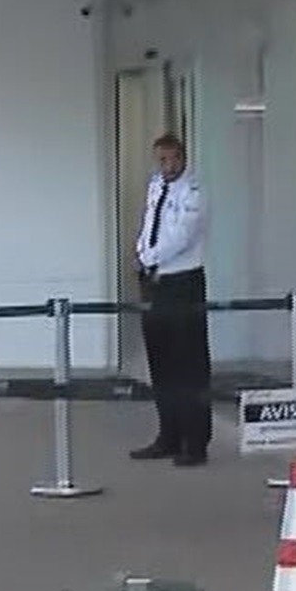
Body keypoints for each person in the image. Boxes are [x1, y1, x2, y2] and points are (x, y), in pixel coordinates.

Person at [129, 133, 213, 465]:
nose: (167, 166)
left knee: (188, 365)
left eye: (172, 159)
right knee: (161, 363)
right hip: (155, 281)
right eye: (161, 160)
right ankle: (168, 434)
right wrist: (140, 252)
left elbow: (181, 235)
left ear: (183, 158)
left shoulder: (194, 193)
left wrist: (149, 257)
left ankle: (195, 442)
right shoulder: (156, 187)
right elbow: (150, 223)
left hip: (183, 282)